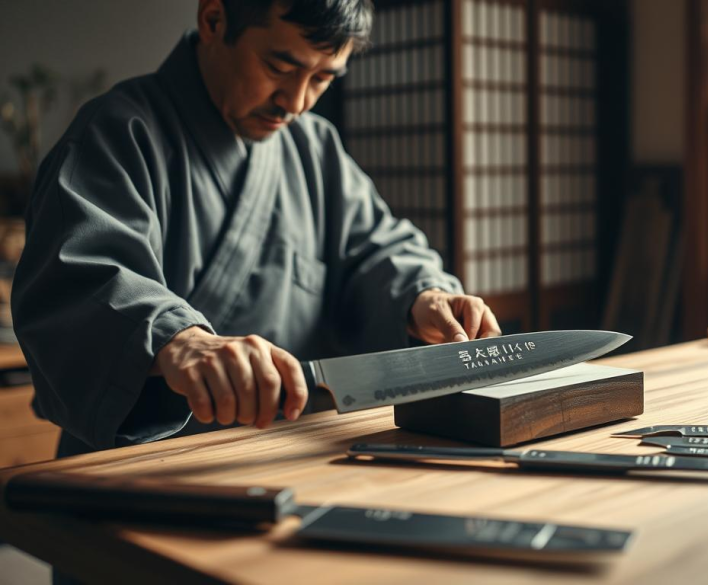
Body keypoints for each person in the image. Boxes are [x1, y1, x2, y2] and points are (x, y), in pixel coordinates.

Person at [11, 0, 500, 459]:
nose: (297, 102)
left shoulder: (314, 147)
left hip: (284, 454)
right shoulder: (116, 133)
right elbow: (82, 279)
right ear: (214, 20)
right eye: (279, 68)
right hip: (137, 465)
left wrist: (421, 297)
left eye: (322, 78)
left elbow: (376, 248)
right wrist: (178, 341)